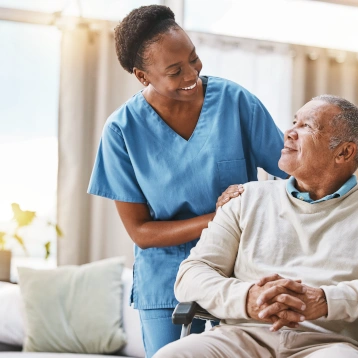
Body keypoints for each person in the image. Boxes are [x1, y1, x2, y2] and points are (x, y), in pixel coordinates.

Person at [155, 95, 358, 358]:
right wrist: (248, 298)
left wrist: (327, 299)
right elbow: (190, 275)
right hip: (243, 337)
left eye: (307, 126)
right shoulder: (246, 199)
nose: (289, 133)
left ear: (344, 152)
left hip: (332, 345)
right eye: (294, 123)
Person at [87, 5, 287, 357]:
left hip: (241, 271)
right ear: (142, 75)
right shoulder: (121, 131)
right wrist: (220, 218)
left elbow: (294, 174)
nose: (192, 73)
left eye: (194, 59)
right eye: (175, 70)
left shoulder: (235, 102)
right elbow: (141, 232)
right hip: (166, 278)